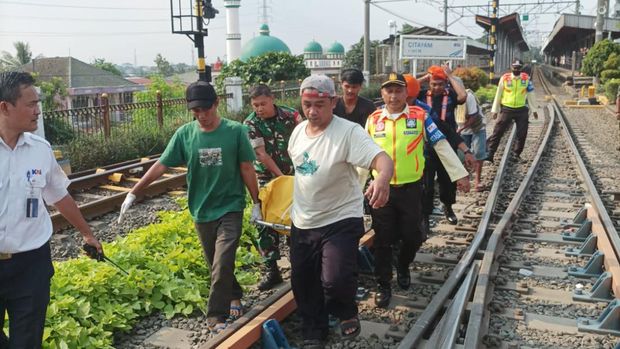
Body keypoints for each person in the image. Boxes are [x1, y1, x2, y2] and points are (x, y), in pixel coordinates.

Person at [117, 80, 261, 333]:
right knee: (215, 262)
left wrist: (257, 202)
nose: (202, 115)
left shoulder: (235, 131)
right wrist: (134, 191)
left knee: (223, 260)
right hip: (201, 209)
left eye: (206, 109)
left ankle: (216, 315)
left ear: (216, 104)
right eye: (196, 111)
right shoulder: (185, 134)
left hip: (231, 206)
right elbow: (162, 165)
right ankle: (234, 294)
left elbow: (247, 168)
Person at [288, 75, 393, 349]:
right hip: (303, 219)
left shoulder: (347, 132)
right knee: (302, 282)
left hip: (340, 218)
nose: (312, 111)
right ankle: (314, 331)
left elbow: (382, 159)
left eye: (319, 105)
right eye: (307, 104)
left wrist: (381, 179)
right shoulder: (298, 132)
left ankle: (345, 309)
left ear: (333, 102)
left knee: (334, 280)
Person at [0, 71, 103, 348]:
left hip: (31, 264)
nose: (38, 111)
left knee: (27, 342)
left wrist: (87, 234)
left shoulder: (40, 150)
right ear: (5, 107)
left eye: (39, 104)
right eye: (31, 104)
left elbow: (60, 196)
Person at [366, 73, 470, 308]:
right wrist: (356, 187)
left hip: (412, 189)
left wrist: (459, 173)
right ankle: (383, 284)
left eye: (398, 91)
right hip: (382, 191)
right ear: (382, 94)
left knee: (413, 236)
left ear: (407, 93)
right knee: (382, 240)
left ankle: (403, 265)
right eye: (388, 91)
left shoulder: (420, 116)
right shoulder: (373, 120)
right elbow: (364, 155)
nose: (393, 96)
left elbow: (441, 144)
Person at [243, 84, 302, 290]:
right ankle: (272, 270)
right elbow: (260, 153)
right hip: (267, 179)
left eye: (263, 104)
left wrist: (291, 176)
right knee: (265, 223)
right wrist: (280, 177)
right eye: (255, 105)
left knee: (296, 220)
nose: (259, 108)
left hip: (296, 175)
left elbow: (304, 141)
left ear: (272, 99)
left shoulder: (291, 115)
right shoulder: (251, 123)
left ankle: (301, 266)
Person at [417, 64, 470, 225]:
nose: (437, 87)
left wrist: (450, 76)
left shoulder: (450, 95)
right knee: (427, 183)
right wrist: (426, 77)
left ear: (445, 84)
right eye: (433, 84)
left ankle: (448, 207)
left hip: (447, 143)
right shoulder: (421, 95)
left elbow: (463, 96)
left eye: (440, 84)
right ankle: (425, 215)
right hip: (427, 146)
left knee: (447, 180)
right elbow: (407, 85)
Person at [486, 59, 539, 162]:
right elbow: (498, 93)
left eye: (518, 67)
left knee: (522, 134)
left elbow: (531, 94)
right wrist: (495, 110)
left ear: (521, 68)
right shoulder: (505, 78)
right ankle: (490, 153)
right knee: (497, 131)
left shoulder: (526, 79)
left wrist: (534, 110)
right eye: (514, 67)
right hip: (506, 109)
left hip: (521, 109)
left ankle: (516, 155)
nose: (516, 69)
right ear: (511, 67)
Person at [454, 75, 488, 192]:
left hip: (476, 127)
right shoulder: (449, 98)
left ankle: (478, 180)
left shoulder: (468, 97)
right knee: (461, 156)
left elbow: (473, 116)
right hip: (461, 128)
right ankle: (465, 179)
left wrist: (459, 130)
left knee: (478, 153)